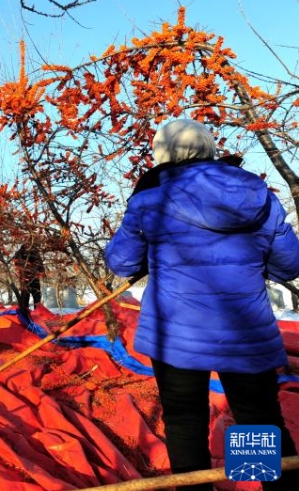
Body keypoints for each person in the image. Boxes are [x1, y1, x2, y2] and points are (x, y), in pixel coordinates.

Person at [105, 118, 299, 490]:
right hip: (245, 331)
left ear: (163, 153)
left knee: (185, 421)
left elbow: (122, 263)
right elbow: (289, 264)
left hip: (175, 333)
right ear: (209, 148)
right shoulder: (258, 196)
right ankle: (261, 483)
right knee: (257, 420)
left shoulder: (149, 199)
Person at [12, 243, 44, 313]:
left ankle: (35, 314)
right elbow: (16, 264)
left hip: (31, 278)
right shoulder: (20, 253)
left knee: (34, 298)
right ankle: (27, 314)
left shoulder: (34, 252)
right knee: (27, 298)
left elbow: (40, 265)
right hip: (26, 278)